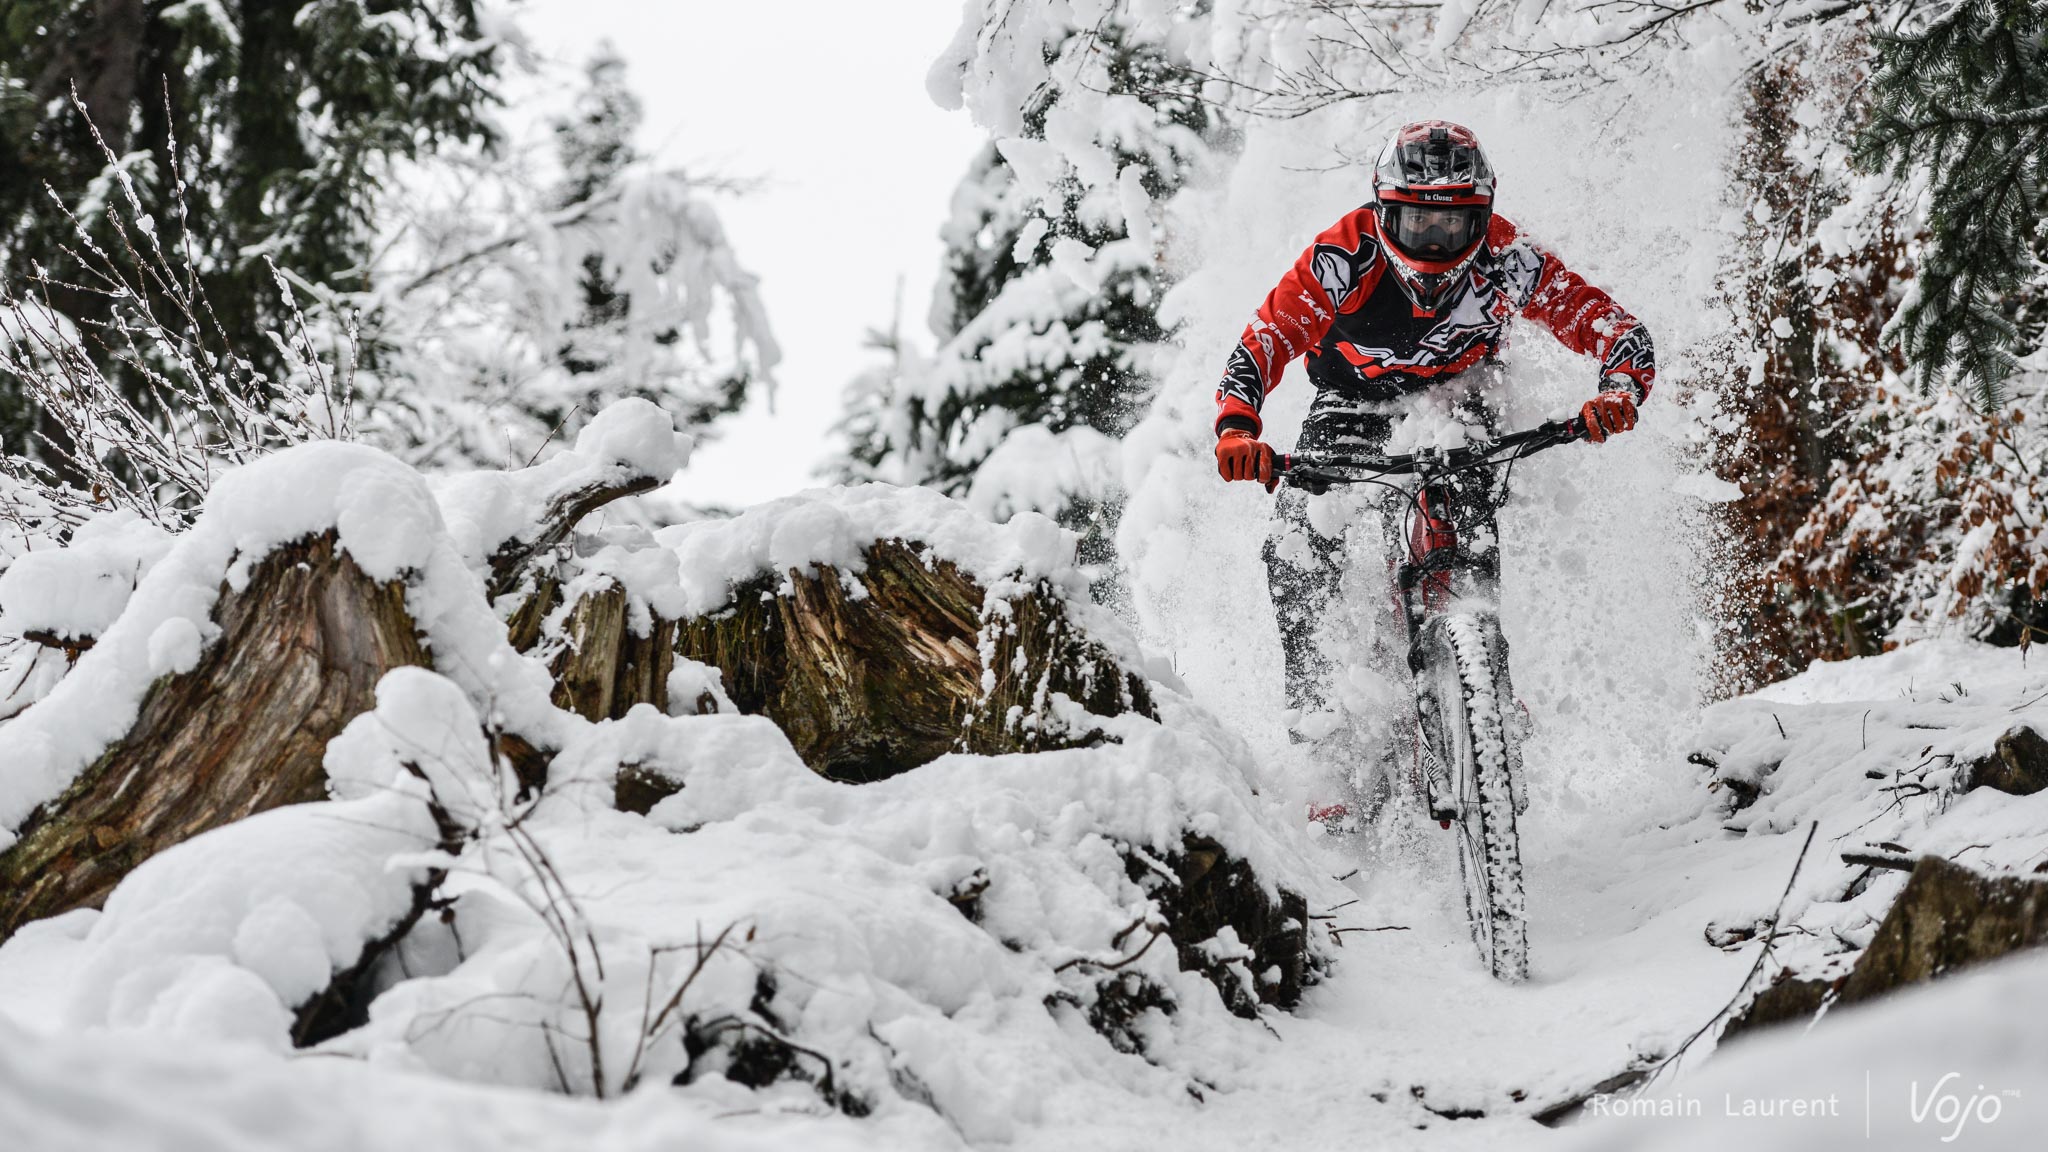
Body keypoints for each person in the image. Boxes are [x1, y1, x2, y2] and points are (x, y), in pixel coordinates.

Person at [1211, 120, 1656, 744]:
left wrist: (1619, 392)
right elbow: (1263, 343)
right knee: (1299, 547)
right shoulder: (1342, 256)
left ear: (1485, 218)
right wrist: (1237, 430)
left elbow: (1617, 330)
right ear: (1382, 211)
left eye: (1455, 225)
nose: (1437, 243)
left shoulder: (1509, 256)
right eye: (1417, 223)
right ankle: (1317, 725)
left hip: (1462, 393)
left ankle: (1487, 675)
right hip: (1352, 398)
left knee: (1465, 522)